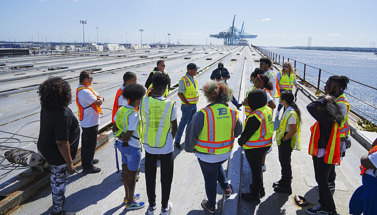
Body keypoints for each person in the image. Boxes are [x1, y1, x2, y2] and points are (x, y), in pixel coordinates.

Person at [184, 81, 242, 214]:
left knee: (209, 178)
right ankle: (226, 188)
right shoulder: (233, 113)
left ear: (210, 96)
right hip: (225, 154)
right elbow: (238, 132)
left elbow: (191, 135)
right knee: (216, 165)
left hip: (206, 155)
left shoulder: (203, 114)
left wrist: (190, 148)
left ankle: (211, 205)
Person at [37, 77, 80, 215]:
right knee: (59, 180)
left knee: (55, 175)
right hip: (57, 153)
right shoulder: (63, 114)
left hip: (45, 146)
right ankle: (57, 210)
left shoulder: (46, 106)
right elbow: (61, 142)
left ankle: (58, 199)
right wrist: (69, 164)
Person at [140, 73, 177, 215]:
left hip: (149, 146)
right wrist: (169, 140)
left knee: (150, 177)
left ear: (152, 86)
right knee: (166, 178)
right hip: (166, 147)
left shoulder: (143, 102)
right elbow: (175, 127)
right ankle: (164, 207)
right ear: (165, 88)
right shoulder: (170, 104)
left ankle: (151, 206)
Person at [306, 90, 344, 215]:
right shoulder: (328, 118)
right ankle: (323, 204)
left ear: (324, 108)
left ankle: (330, 209)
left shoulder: (326, 119)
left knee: (322, 181)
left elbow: (309, 107)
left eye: (320, 106)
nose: (317, 107)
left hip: (324, 154)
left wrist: (324, 99)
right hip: (320, 152)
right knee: (320, 180)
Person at [113, 83, 146, 210]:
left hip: (122, 146)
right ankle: (130, 202)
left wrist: (119, 137)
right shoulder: (134, 114)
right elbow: (128, 134)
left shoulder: (121, 110)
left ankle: (127, 196)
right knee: (132, 176)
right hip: (133, 147)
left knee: (125, 172)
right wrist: (124, 137)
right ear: (137, 99)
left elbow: (114, 127)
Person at [239, 89, 274, 205]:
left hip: (254, 148)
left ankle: (254, 195)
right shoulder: (267, 109)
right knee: (258, 169)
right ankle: (260, 189)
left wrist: (240, 142)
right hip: (265, 145)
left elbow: (247, 134)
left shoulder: (255, 116)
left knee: (255, 171)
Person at [325, 75, 351, 192]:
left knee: (331, 163)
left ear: (337, 87)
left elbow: (336, 118)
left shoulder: (341, 103)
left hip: (337, 138)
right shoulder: (334, 98)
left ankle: (330, 183)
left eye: (328, 85)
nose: (325, 86)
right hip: (333, 136)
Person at [273, 91, 301, 194]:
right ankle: (283, 180)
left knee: (285, 163)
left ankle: (286, 186)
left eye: (280, 99)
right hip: (284, 141)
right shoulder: (288, 110)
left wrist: (285, 139)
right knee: (283, 161)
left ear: (284, 101)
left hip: (286, 141)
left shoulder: (291, 113)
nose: (280, 101)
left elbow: (293, 130)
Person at [76, 71, 103, 174]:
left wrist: (100, 98)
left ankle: (88, 160)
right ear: (86, 79)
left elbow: (99, 96)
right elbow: (97, 101)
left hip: (90, 120)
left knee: (88, 142)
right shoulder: (84, 92)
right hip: (89, 121)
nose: (92, 80)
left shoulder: (87, 89)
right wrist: (100, 99)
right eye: (91, 78)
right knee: (90, 144)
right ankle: (87, 166)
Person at [174, 63, 199, 149]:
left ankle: (188, 139)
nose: (196, 71)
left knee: (191, 123)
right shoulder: (183, 80)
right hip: (187, 106)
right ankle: (177, 141)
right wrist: (187, 103)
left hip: (194, 105)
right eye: (195, 69)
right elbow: (180, 93)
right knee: (183, 123)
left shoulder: (194, 78)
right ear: (190, 70)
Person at [349, 138, 377, 215]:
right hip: (369, 185)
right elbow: (374, 145)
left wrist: (368, 155)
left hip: (373, 188)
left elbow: (365, 161)